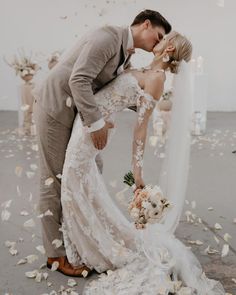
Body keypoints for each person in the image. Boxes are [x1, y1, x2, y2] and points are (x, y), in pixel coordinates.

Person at [61, 31, 225, 294]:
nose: (157, 39)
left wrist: (137, 172)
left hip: (92, 130)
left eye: (163, 37)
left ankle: (93, 249)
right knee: (82, 184)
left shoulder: (157, 79)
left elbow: (141, 128)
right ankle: (91, 244)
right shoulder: (145, 69)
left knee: (73, 182)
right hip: (91, 124)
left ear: (169, 46)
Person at [33, 9, 172, 276]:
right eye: (159, 34)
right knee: (55, 177)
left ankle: (79, 237)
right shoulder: (108, 37)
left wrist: (151, 102)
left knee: (90, 172)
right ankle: (55, 255)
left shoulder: (126, 55)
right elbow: (79, 79)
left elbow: (114, 91)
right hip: (55, 106)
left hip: (76, 114)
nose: (159, 41)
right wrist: (96, 124)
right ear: (145, 24)